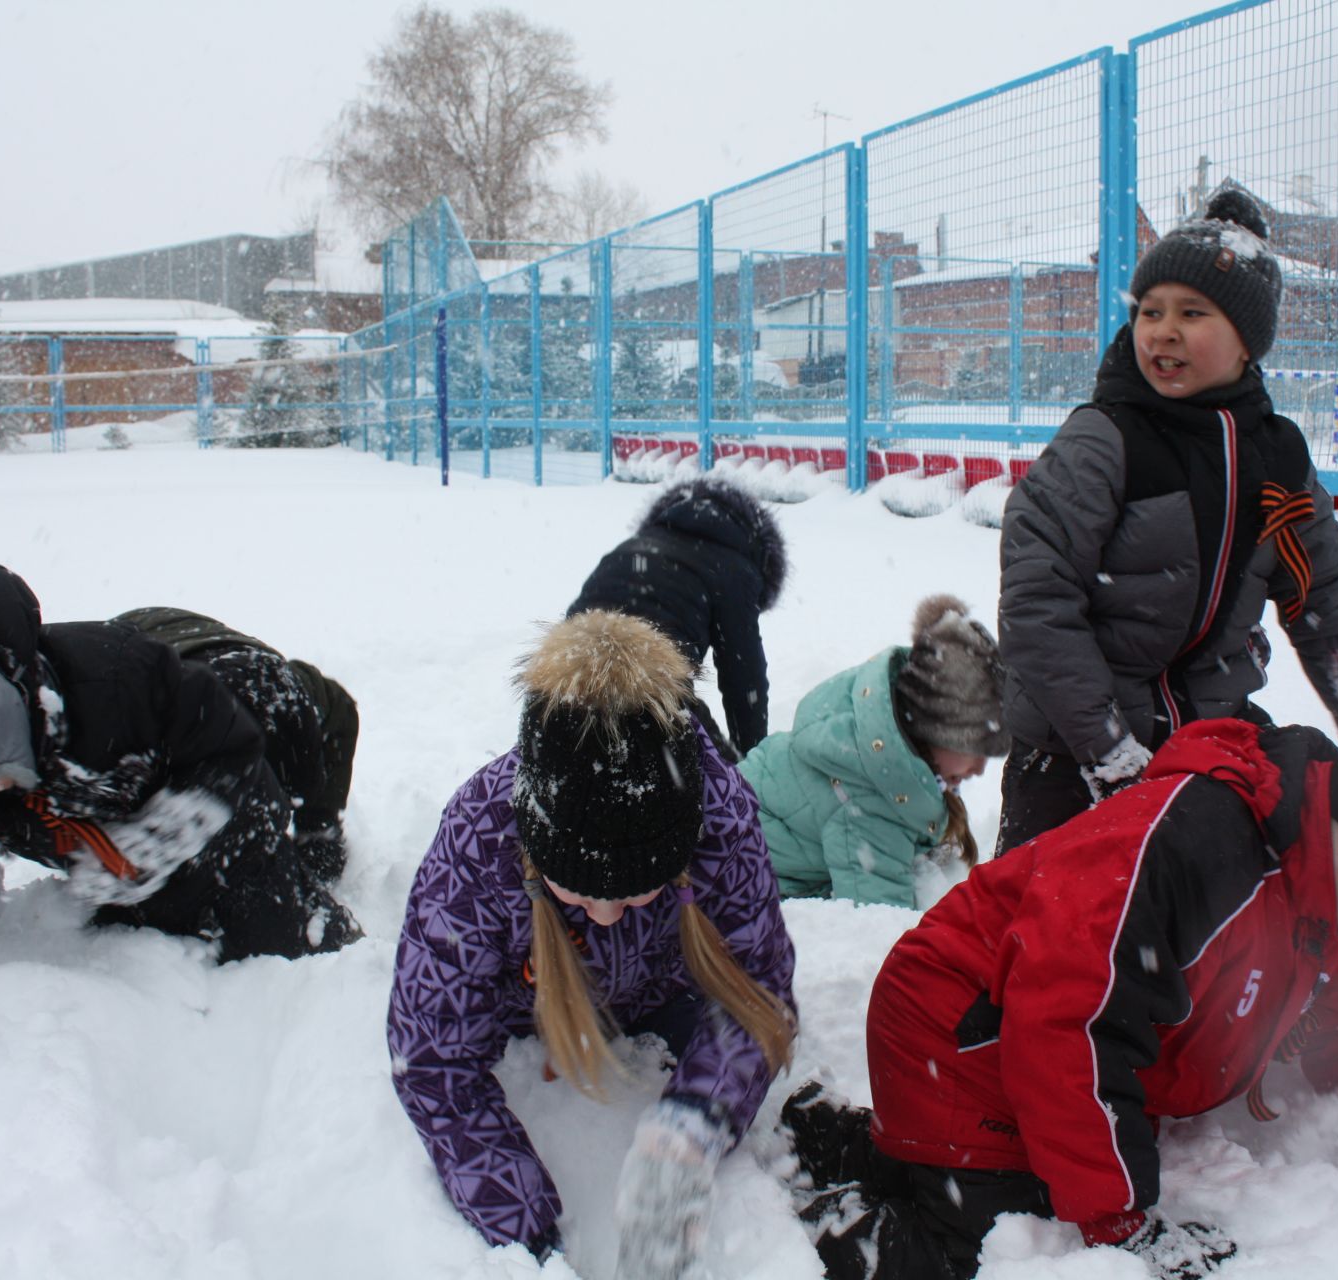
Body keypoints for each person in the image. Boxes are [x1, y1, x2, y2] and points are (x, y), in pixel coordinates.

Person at [781, 666, 1338, 1279]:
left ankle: (849, 1143)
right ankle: (833, 1224)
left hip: (1019, 1046)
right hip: (964, 1035)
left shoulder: (1334, 897)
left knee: (1034, 1186)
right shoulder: (1201, 844)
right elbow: (1071, 1027)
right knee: (1004, 1247)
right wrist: (1123, 1224)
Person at [387, 609, 797, 1276]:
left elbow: (758, 988)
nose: (607, 915)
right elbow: (431, 1053)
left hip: (662, 995)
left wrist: (690, 1132)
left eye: (640, 893)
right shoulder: (478, 839)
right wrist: (524, 1231)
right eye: (575, 894)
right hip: (522, 1010)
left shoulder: (720, 816)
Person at [997, 188, 1338, 850]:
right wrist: (1111, 753)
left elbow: (1326, 606)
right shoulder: (1102, 441)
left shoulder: (1277, 458)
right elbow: (1038, 604)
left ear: (1248, 341)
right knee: (1044, 928)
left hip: (1206, 740)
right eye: (1151, 311)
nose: (1164, 330)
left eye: (1193, 312)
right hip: (1071, 753)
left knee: (1223, 921)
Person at [0, 563, 359, 962]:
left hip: (233, 678)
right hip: (142, 654)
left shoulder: (135, 693)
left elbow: (241, 797)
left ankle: (317, 829)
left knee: (293, 755)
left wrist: (160, 848)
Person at [738, 594, 1009, 908]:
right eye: (972, 749)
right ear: (932, 732)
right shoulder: (870, 803)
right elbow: (877, 916)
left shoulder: (876, 738)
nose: (979, 769)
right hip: (734, 881)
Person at [114, 606, 359, 882]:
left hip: (214, 653)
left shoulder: (296, 694)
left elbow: (342, 708)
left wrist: (319, 824)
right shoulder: (175, 726)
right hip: (125, 653)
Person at [567, 474, 787, 760]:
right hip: (650, 686)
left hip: (568, 669)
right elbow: (744, 678)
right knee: (722, 789)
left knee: (564, 763)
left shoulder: (638, 543)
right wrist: (752, 761)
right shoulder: (736, 568)